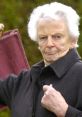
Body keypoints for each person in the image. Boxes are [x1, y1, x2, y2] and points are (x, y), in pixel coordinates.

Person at [0, 2, 82, 117]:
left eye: (57, 37)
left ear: (73, 40)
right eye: (43, 38)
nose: (49, 44)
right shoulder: (21, 82)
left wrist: (65, 110)